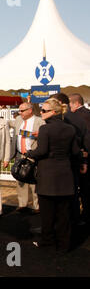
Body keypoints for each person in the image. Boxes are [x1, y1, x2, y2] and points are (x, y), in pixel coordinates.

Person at [26, 98, 81, 253]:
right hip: (65, 175)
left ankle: (48, 243)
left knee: (47, 214)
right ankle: (64, 245)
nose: (41, 113)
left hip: (48, 176)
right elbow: (75, 152)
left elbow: (41, 151)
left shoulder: (45, 129)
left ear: (54, 112)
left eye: (44, 110)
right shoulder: (70, 129)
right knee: (64, 214)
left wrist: (29, 153)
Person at [52, 93, 89, 226]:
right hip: (76, 161)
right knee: (75, 193)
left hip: (63, 163)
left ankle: (66, 223)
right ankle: (75, 220)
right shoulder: (78, 118)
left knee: (64, 197)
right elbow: (86, 141)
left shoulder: (62, 119)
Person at [9, 102, 45, 214]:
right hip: (20, 154)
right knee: (20, 180)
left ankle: (37, 205)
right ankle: (22, 204)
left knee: (34, 180)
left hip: (33, 154)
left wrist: (40, 134)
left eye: (22, 110)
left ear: (30, 110)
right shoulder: (18, 120)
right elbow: (9, 124)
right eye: (19, 110)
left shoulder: (40, 121)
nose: (20, 113)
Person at [68, 93, 90, 224]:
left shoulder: (79, 117)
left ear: (75, 104)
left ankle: (85, 217)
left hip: (83, 159)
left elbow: (86, 139)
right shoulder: (87, 114)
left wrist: (85, 157)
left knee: (84, 190)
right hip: (84, 157)